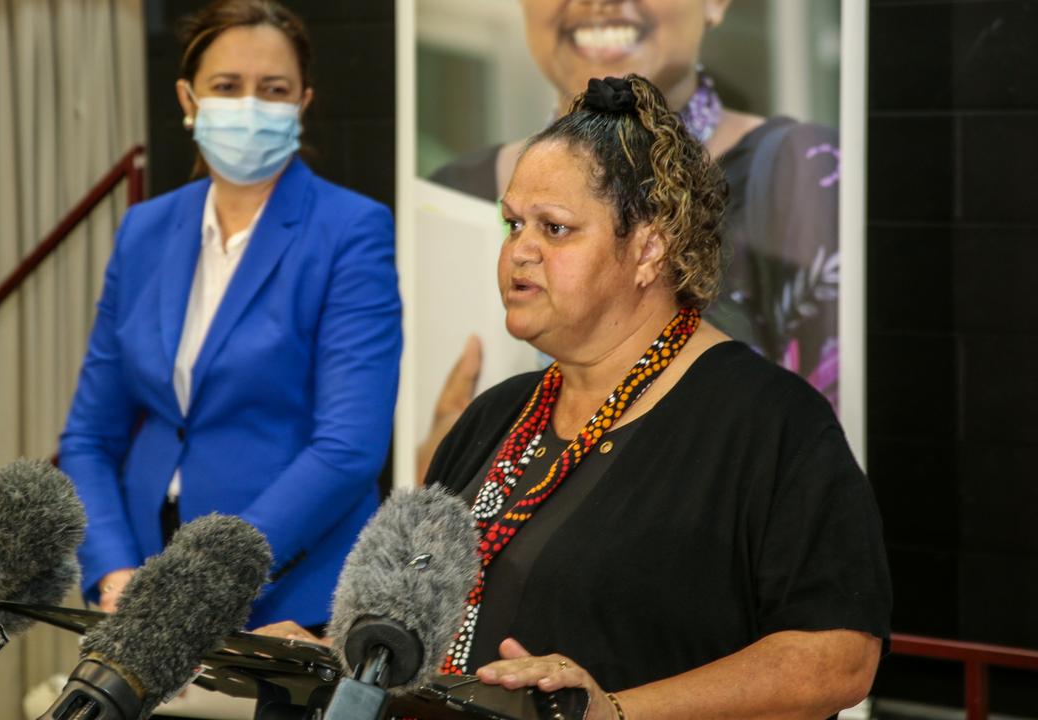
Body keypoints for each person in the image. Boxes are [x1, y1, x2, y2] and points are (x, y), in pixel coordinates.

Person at [424, 75, 890, 719]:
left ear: (648, 248)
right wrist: (331, 658)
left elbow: (838, 659)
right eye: (512, 224)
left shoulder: (770, 424)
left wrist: (613, 712)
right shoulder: (496, 415)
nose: (518, 253)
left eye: (554, 229)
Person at [59, 0, 401, 630]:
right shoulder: (145, 230)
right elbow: (89, 437)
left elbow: (348, 447)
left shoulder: (351, 230)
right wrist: (113, 570)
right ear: (189, 101)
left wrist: (211, 578)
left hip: (291, 600)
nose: (250, 106)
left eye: (273, 90)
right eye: (226, 87)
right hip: (140, 589)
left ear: (301, 105)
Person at [419, 0, 843, 480]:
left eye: (556, 227)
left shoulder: (805, 175)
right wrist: (448, 471)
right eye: (514, 224)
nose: (596, 3)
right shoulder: (449, 191)